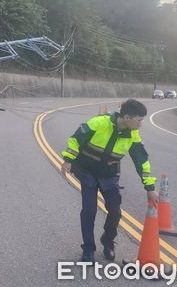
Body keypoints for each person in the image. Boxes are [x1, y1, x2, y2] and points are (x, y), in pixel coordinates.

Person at [60, 99, 158, 262]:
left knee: (115, 211)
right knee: (89, 210)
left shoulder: (133, 135)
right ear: (127, 117)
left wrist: (150, 187)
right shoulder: (98, 123)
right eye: (139, 120)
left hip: (109, 175)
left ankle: (107, 240)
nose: (141, 124)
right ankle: (88, 249)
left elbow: (141, 161)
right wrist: (68, 159)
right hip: (87, 171)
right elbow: (76, 139)